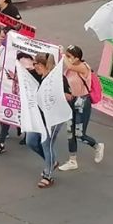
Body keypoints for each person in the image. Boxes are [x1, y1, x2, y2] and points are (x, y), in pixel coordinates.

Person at [25, 53, 72, 188]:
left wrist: (57, 93)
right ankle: (51, 161)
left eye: (37, 64)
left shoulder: (59, 79)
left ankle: (48, 175)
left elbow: (70, 97)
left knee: (47, 143)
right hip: (40, 116)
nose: (35, 67)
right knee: (31, 141)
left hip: (55, 117)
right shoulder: (37, 74)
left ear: (43, 65)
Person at [59, 46, 104, 172]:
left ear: (77, 58)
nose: (67, 58)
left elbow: (71, 65)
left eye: (70, 56)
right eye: (67, 55)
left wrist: (62, 54)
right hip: (71, 101)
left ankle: (97, 146)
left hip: (83, 102)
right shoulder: (69, 69)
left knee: (79, 134)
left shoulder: (83, 67)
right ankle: (72, 160)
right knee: (70, 132)